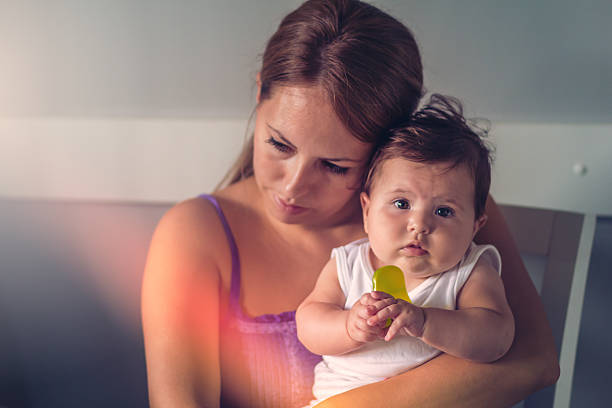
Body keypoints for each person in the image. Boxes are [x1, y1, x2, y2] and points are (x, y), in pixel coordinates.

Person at [141, 1, 559, 407]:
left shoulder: (445, 217)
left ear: (388, 146)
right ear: (258, 95)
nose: (294, 186)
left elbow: (531, 362)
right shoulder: (197, 232)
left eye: (335, 166)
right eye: (278, 144)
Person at [297, 95, 515, 406]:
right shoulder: (347, 264)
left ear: (475, 226)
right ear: (367, 211)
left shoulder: (470, 272)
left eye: (444, 211)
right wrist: (349, 326)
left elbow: (497, 337)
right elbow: (308, 324)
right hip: (341, 397)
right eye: (402, 204)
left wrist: (426, 322)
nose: (420, 225)